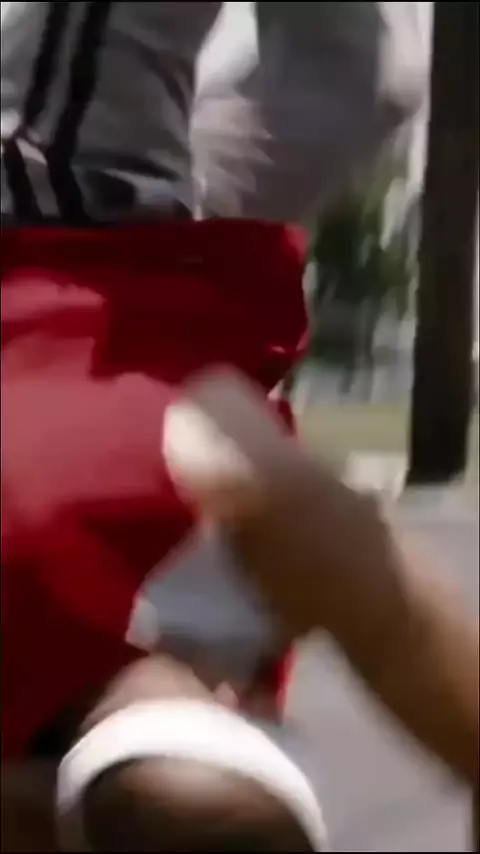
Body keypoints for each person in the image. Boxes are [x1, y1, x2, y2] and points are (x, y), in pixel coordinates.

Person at [1, 2, 427, 851]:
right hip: (188, 276)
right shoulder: (233, 634)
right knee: (364, 82)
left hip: (63, 238)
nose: (246, 699)